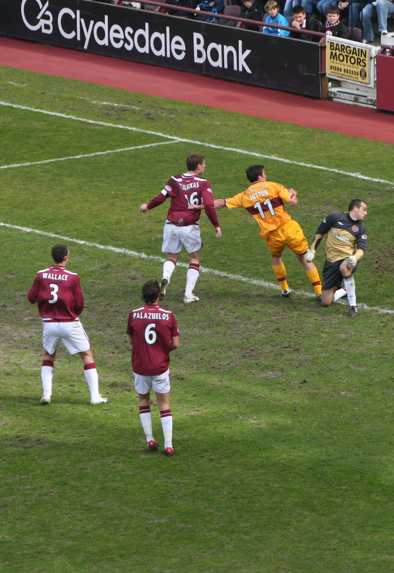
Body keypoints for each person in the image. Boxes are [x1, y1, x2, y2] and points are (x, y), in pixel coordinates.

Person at [214, 165, 322, 298]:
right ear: (260, 176)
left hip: (272, 235)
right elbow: (293, 202)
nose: (266, 176)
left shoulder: (244, 196)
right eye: (264, 174)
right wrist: (293, 193)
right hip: (289, 228)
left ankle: (284, 289)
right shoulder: (274, 186)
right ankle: (318, 291)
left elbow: (221, 203)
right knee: (304, 257)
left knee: (276, 257)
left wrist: (200, 205)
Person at [27, 243, 108, 405]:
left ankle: (46, 394)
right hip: (69, 323)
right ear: (66, 257)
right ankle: (94, 397)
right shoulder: (72, 277)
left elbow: (31, 298)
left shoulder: (41, 275)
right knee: (87, 355)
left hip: (49, 324)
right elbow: (80, 304)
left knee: (49, 355)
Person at [139, 152, 221, 304]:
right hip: (189, 226)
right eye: (203, 164)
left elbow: (160, 197)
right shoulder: (203, 183)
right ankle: (188, 294)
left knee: (172, 257)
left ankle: (166, 277)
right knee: (194, 258)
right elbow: (209, 205)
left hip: (171, 224)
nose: (205, 166)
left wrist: (147, 207)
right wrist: (216, 224)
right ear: (198, 166)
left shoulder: (174, 180)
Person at [128, 279, 180, 456]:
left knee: (144, 401)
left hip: (140, 366)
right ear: (159, 295)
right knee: (164, 404)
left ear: (143, 297)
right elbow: (176, 343)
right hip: (160, 366)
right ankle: (168, 445)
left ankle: (150, 439)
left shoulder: (133, 315)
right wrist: (163, 351)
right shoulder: (169, 316)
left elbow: (131, 340)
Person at [306, 199, 367, 316]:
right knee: (325, 302)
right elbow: (319, 233)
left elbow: (361, 249)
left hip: (348, 259)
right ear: (355, 208)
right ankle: (345, 290)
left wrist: (354, 257)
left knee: (345, 267)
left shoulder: (361, 228)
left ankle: (353, 306)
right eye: (364, 210)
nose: (366, 213)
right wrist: (312, 250)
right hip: (331, 262)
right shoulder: (334, 218)